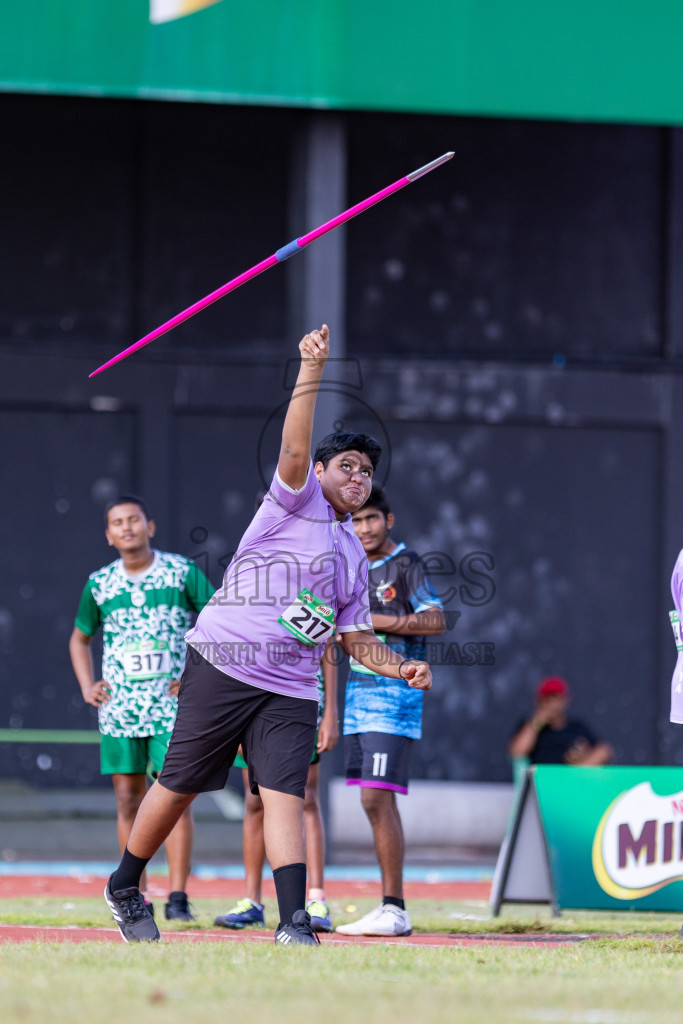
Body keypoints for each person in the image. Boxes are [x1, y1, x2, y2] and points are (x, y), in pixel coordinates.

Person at [101, 323, 433, 946]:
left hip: (291, 690)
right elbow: (292, 444)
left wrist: (399, 667)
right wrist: (311, 370)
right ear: (320, 471)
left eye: (366, 472)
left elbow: (356, 639)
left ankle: (293, 921)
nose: (358, 478)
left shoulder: (354, 558)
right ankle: (125, 885)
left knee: (285, 792)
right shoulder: (294, 499)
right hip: (223, 664)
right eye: (348, 467)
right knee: (179, 785)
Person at [69, 494, 212, 922]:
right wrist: (86, 684)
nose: (127, 527)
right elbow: (80, 637)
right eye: (118, 522)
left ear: (150, 527)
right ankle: (136, 894)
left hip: (170, 706)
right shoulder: (99, 583)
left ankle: (179, 896)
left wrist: (194, 677)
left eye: (134, 519)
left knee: (173, 797)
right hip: (120, 708)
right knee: (128, 799)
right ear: (109, 536)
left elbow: (216, 620)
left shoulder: (180, 571)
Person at [335, 486, 445, 938]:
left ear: (389, 520)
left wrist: (376, 621)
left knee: (375, 798)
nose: (363, 528)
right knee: (373, 798)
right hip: (358, 699)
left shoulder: (406, 563)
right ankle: (391, 906)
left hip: (393, 700)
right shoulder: (348, 567)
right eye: (356, 521)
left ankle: (394, 907)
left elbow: (436, 619)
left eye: (371, 519)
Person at [213, 643, 338, 933]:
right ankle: (251, 902)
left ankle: (316, 899)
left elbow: (328, 646)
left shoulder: (314, 595)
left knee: (305, 799)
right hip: (252, 701)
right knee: (254, 800)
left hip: (299, 700)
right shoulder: (248, 597)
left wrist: (330, 710)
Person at [508, 676, 613, 766]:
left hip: (572, 782)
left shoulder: (576, 727)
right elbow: (517, 752)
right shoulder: (531, 725)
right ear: (539, 701)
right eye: (547, 699)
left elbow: (604, 751)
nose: (553, 704)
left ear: (565, 701)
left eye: (557, 699)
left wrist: (581, 761)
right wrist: (536, 722)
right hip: (542, 782)